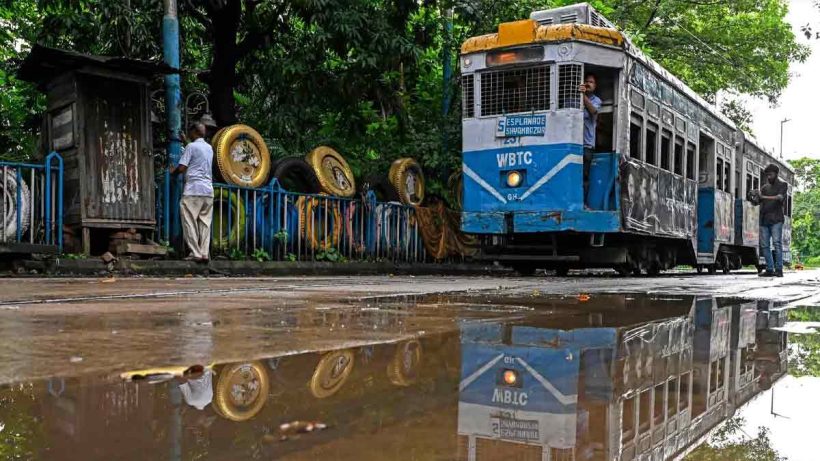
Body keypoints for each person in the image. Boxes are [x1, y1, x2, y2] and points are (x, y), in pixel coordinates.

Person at [171, 122, 214, 262]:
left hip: (193, 190)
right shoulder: (209, 148)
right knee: (205, 223)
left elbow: (182, 167)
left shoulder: (191, 147)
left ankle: (195, 253)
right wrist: (186, 141)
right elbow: (197, 153)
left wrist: (174, 172)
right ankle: (204, 253)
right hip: (208, 191)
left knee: (189, 221)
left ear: (194, 132)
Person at [754, 163, 788, 277]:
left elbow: (780, 198)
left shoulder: (783, 185)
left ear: (776, 174)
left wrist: (763, 197)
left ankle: (779, 269)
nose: (769, 177)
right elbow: (757, 202)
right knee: (764, 246)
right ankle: (769, 269)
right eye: (767, 175)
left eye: (771, 174)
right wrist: (753, 197)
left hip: (776, 219)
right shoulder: (764, 188)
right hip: (764, 219)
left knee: (777, 244)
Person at [579, 73, 602, 201]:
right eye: (586, 81)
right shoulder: (574, 98)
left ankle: (584, 202)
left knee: (585, 175)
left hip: (587, 144)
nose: (588, 83)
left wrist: (583, 96)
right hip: (571, 143)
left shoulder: (596, 100)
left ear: (595, 85)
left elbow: (594, 111)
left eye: (591, 82)